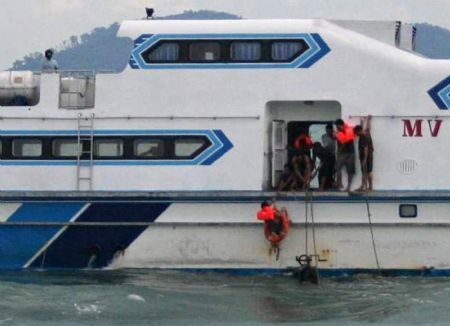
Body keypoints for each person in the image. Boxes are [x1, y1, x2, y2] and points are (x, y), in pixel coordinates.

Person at [334, 119, 356, 192]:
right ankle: (339, 182)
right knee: (337, 167)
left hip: (350, 153)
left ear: (341, 125)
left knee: (350, 171)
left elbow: (343, 143)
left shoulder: (350, 130)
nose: (337, 128)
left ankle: (348, 187)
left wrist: (338, 152)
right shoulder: (339, 132)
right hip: (343, 153)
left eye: (337, 126)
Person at [354, 116, 374, 192]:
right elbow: (368, 127)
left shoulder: (363, 137)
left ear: (359, 131)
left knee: (367, 171)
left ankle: (369, 187)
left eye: (356, 133)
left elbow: (365, 149)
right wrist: (367, 120)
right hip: (368, 156)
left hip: (366, 157)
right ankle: (364, 186)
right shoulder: (366, 133)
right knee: (365, 172)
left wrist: (364, 159)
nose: (356, 134)